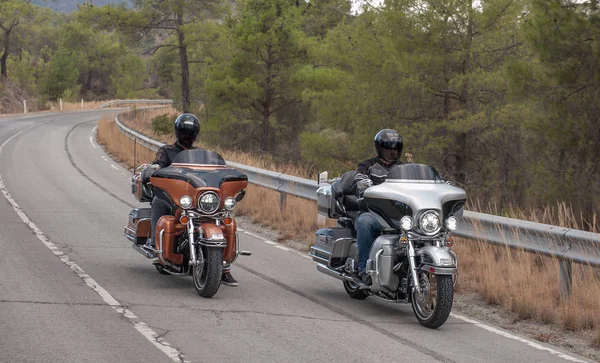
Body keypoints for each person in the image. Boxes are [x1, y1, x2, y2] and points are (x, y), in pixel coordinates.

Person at [142, 113, 239, 287]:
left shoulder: (202, 155)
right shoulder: (166, 151)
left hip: (198, 199)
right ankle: (155, 245)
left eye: (191, 133)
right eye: (185, 133)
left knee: (225, 220)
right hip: (175, 196)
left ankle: (224, 268)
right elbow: (158, 164)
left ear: (195, 135)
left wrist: (227, 173)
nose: (188, 137)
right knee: (158, 200)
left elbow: (218, 170)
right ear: (178, 133)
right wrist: (154, 169)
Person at [351, 129, 404, 285]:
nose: (392, 152)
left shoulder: (403, 169)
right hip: (374, 212)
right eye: (388, 149)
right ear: (380, 149)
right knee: (365, 223)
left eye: (395, 149)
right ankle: (363, 270)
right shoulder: (367, 166)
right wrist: (365, 188)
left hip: (398, 215)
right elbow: (359, 182)